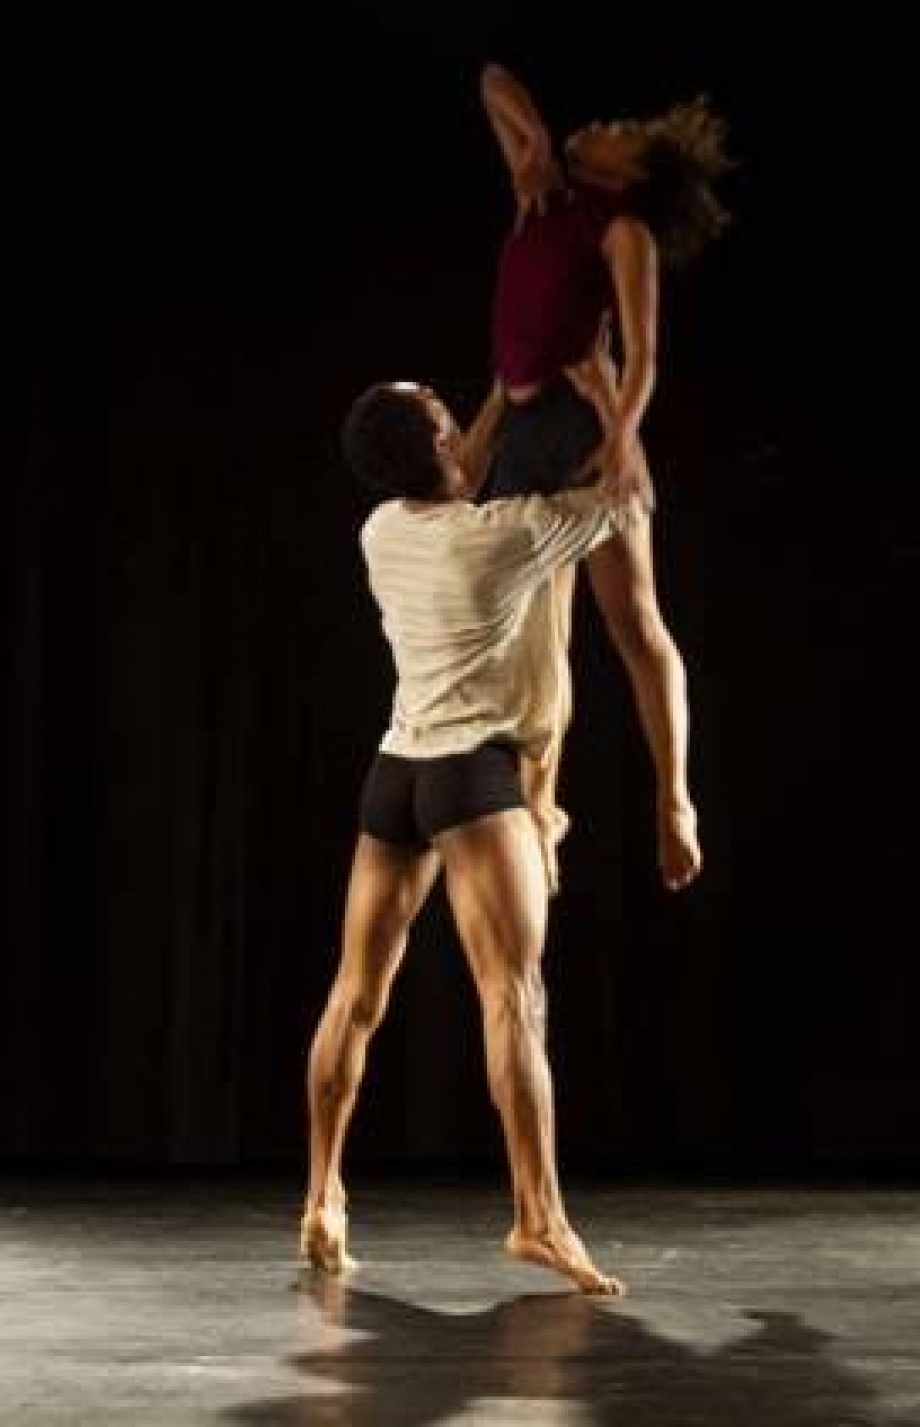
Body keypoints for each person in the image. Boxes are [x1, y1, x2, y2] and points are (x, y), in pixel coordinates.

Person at [302, 349, 634, 1296]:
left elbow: (453, 470)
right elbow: (626, 490)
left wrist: (500, 389)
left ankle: (322, 1195)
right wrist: (609, 394)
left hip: (396, 775)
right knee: (513, 999)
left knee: (354, 995)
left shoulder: (380, 529)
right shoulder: (508, 535)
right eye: (448, 414)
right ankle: (539, 1218)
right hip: (475, 779)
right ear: (444, 444)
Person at [480, 62, 732, 892]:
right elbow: (491, 80)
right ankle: (540, 813)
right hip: (521, 436)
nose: (603, 124)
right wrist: (534, 143)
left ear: (630, 174)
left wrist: (622, 438)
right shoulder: (541, 194)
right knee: (537, 644)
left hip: (581, 431)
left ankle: (674, 797)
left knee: (634, 623)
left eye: (622, 132)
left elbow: (645, 354)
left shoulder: (624, 232)